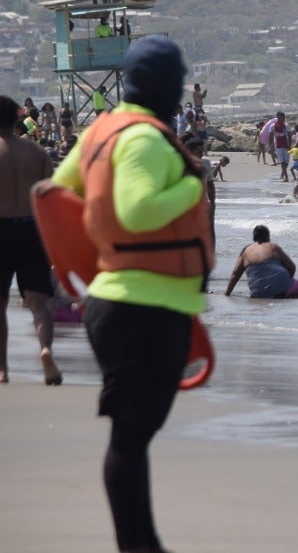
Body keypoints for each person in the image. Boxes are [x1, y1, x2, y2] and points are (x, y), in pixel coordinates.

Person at [50, 36, 212, 553]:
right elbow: (138, 212)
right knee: (131, 435)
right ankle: (138, 546)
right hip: (143, 307)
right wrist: (193, 183)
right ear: (167, 85)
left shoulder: (102, 131)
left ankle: (144, 544)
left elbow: (56, 193)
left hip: (120, 302)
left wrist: (85, 270)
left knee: (133, 432)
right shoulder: (143, 139)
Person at [0, 95, 61, 386]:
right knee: (39, 303)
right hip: (32, 229)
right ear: (17, 118)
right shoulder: (37, 153)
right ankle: (45, 348)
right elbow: (52, 199)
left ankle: (2, 369)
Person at [224, 225, 298, 299]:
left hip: (258, 293)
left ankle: (288, 291)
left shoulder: (245, 251)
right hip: (281, 290)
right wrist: (288, 280)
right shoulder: (273, 247)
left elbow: (235, 274)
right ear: (268, 237)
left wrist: (227, 293)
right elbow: (292, 267)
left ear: (254, 238)